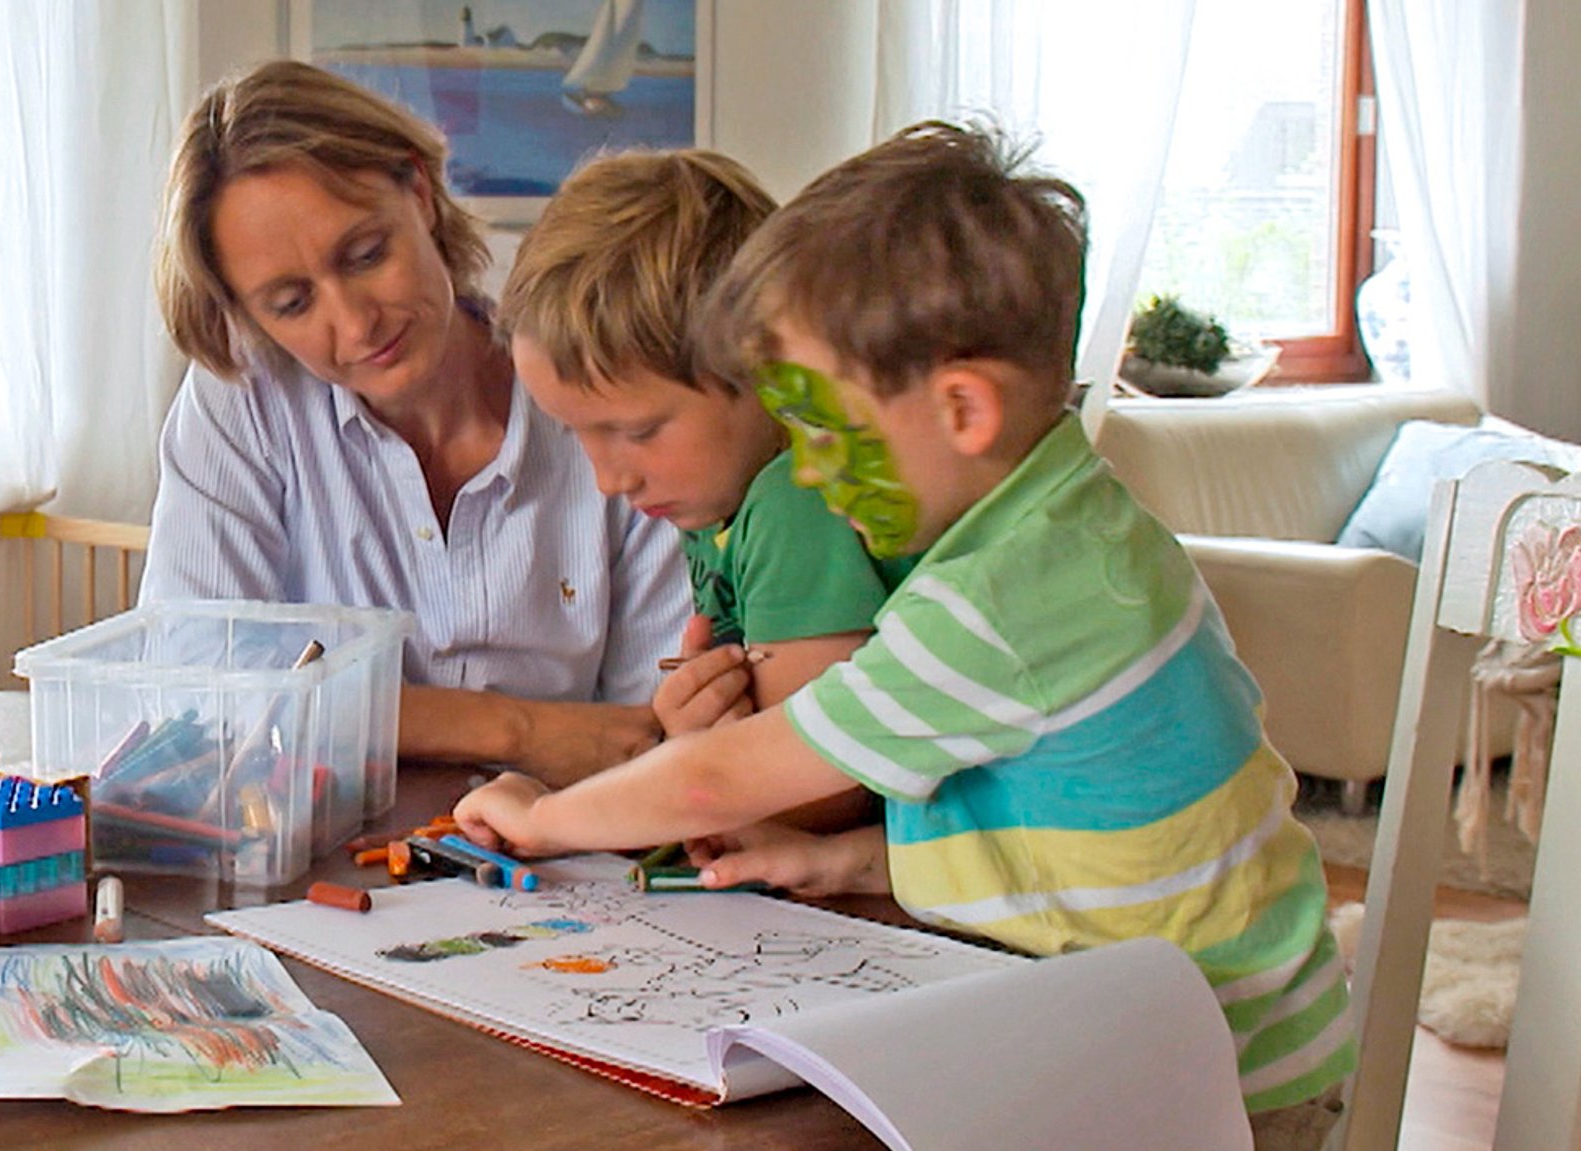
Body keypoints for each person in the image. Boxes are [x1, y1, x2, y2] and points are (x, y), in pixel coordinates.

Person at [454, 121, 1355, 1141]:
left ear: (961, 408)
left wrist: (546, 818)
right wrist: (852, 866)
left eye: (825, 429)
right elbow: (1071, 818)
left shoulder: (996, 598)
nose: (808, 471)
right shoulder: (1063, 528)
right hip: (1201, 1019)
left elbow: (724, 775)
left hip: (1213, 1077)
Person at [142, 60, 690, 785]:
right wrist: (516, 729)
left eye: (367, 255)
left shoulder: (605, 389)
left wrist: (340, 713)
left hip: (571, 847)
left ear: (421, 194)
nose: (356, 322)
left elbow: (646, 732)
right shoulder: (242, 395)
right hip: (327, 851)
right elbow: (195, 687)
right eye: (291, 304)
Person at [499, 147, 904, 829]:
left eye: (639, 430)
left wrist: (553, 814)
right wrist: (699, 732)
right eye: (579, 436)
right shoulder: (714, 510)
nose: (608, 479)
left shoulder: (794, 501)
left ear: (761, 369)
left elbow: (820, 794)